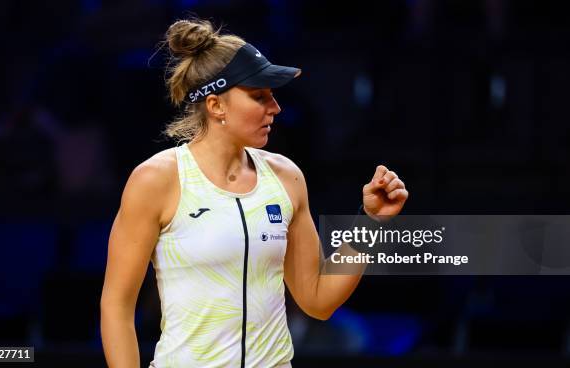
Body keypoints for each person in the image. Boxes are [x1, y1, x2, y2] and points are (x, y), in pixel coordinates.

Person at [100, 18, 409, 368]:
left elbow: (317, 301)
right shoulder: (157, 179)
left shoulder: (286, 177)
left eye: (273, 96)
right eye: (260, 96)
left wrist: (370, 223)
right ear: (216, 106)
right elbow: (117, 308)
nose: (275, 108)